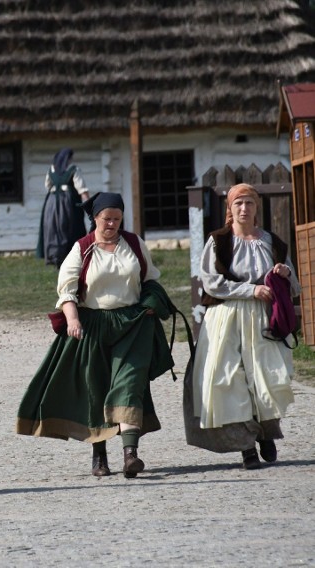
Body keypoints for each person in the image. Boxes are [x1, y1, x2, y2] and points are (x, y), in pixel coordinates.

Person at [18, 192, 176, 478]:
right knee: (97, 388)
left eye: (117, 218)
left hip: (132, 323)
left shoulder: (135, 244)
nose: (112, 224)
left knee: (130, 382)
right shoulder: (82, 248)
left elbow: (150, 278)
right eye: (106, 219)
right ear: (95, 218)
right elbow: (66, 290)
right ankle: (99, 454)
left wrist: (152, 303)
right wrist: (73, 319)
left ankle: (130, 454)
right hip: (94, 325)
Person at [186, 183, 299, 470]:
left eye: (249, 203)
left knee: (264, 379)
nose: (244, 209)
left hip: (263, 319)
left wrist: (284, 274)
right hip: (227, 317)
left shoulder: (271, 242)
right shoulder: (219, 241)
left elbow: (294, 286)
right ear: (230, 209)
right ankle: (246, 446)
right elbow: (211, 281)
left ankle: (265, 434)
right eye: (238, 204)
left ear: (256, 207)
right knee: (229, 379)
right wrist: (250, 290)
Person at [37, 148, 91, 268]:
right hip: (69, 205)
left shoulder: (51, 170)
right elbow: (82, 190)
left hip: (51, 205)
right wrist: (90, 206)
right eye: (70, 157)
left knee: (53, 230)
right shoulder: (73, 170)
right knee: (70, 229)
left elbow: (48, 186)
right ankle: (69, 257)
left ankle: (56, 257)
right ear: (67, 158)